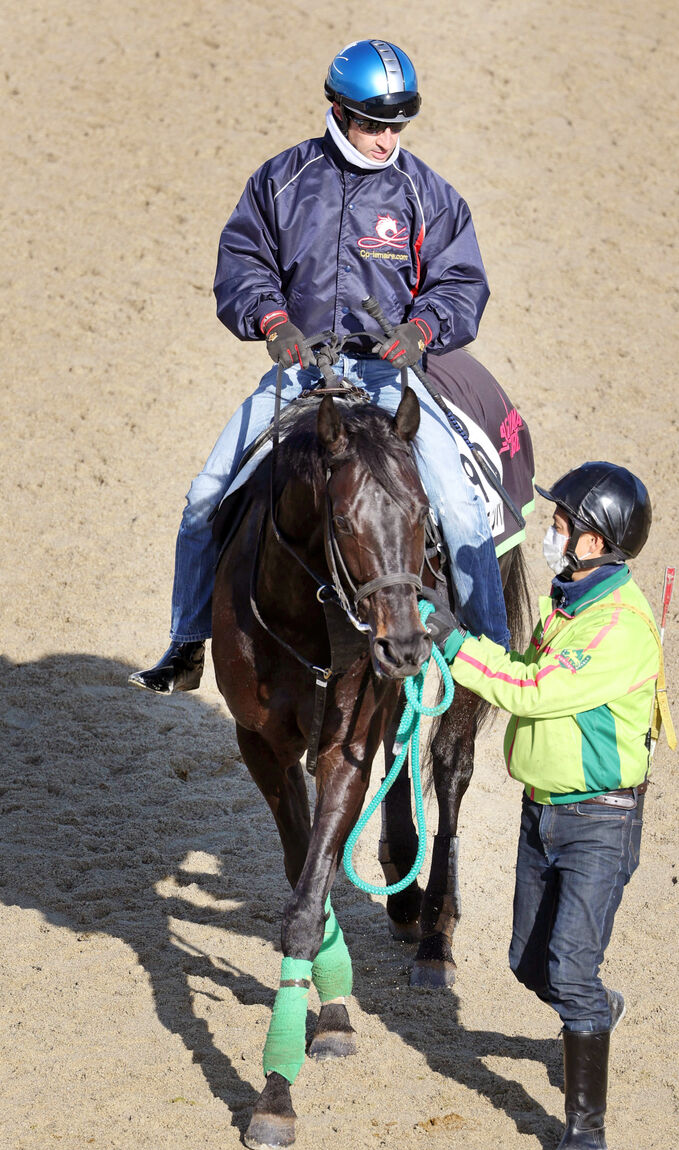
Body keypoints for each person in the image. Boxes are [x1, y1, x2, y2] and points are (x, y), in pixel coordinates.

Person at [129, 37, 509, 695]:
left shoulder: (428, 194)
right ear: (338, 109)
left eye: (397, 126)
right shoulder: (280, 180)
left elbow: (460, 282)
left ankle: (494, 655)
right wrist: (272, 321)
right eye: (373, 124)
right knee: (205, 495)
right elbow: (245, 263)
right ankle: (187, 643)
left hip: (387, 375)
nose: (387, 140)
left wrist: (422, 328)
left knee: (461, 507)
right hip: (304, 372)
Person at [426, 461, 676, 1150]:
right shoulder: (571, 604)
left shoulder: (617, 628)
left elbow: (532, 689)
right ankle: (597, 1007)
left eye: (562, 524)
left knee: (567, 970)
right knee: (528, 963)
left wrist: (453, 642)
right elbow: (520, 670)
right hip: (543, 813)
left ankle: (586, 1132)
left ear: (595, 542)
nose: (551, 532)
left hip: (599, 821)